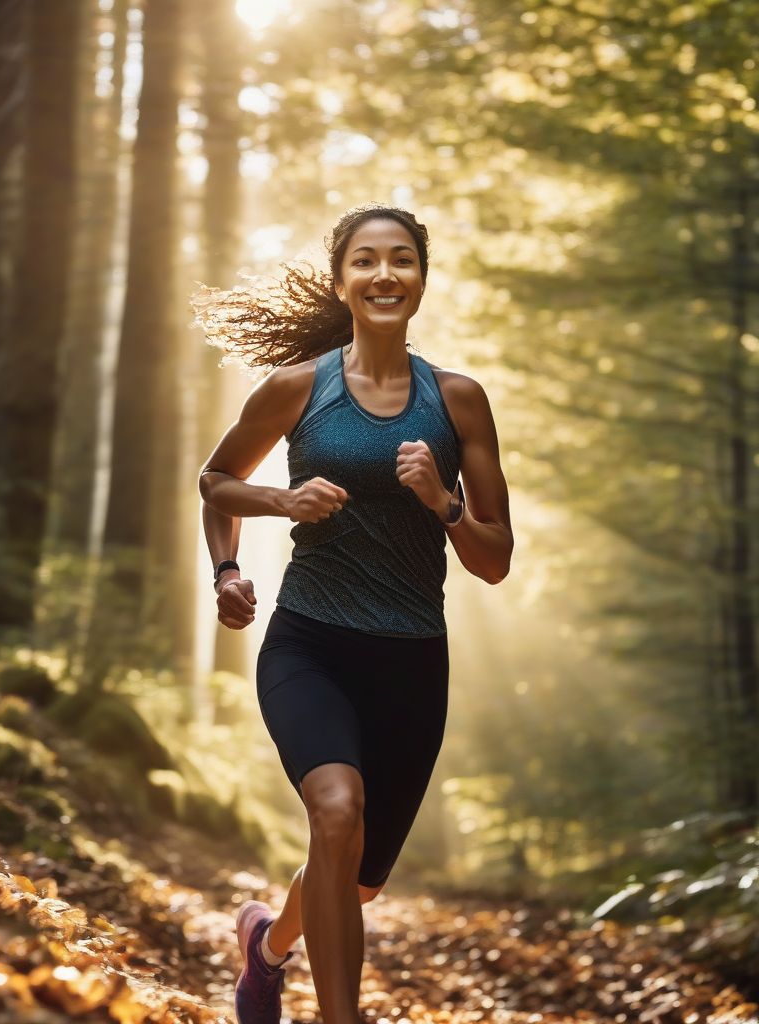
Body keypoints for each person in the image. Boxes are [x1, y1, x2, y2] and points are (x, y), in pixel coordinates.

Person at [195, 204, 514, 1024]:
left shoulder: (460, 402)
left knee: (360, 877)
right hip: (312, 641)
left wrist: (442, 502)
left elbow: (494, 558)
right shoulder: (301, 387)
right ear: (342, 283)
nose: (384, 275)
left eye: (401, 260)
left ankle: (267, 948)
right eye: (365, 261)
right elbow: (217, 483)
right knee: (335, 812)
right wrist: (246, 546)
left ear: (420, 279)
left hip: (411, 659)